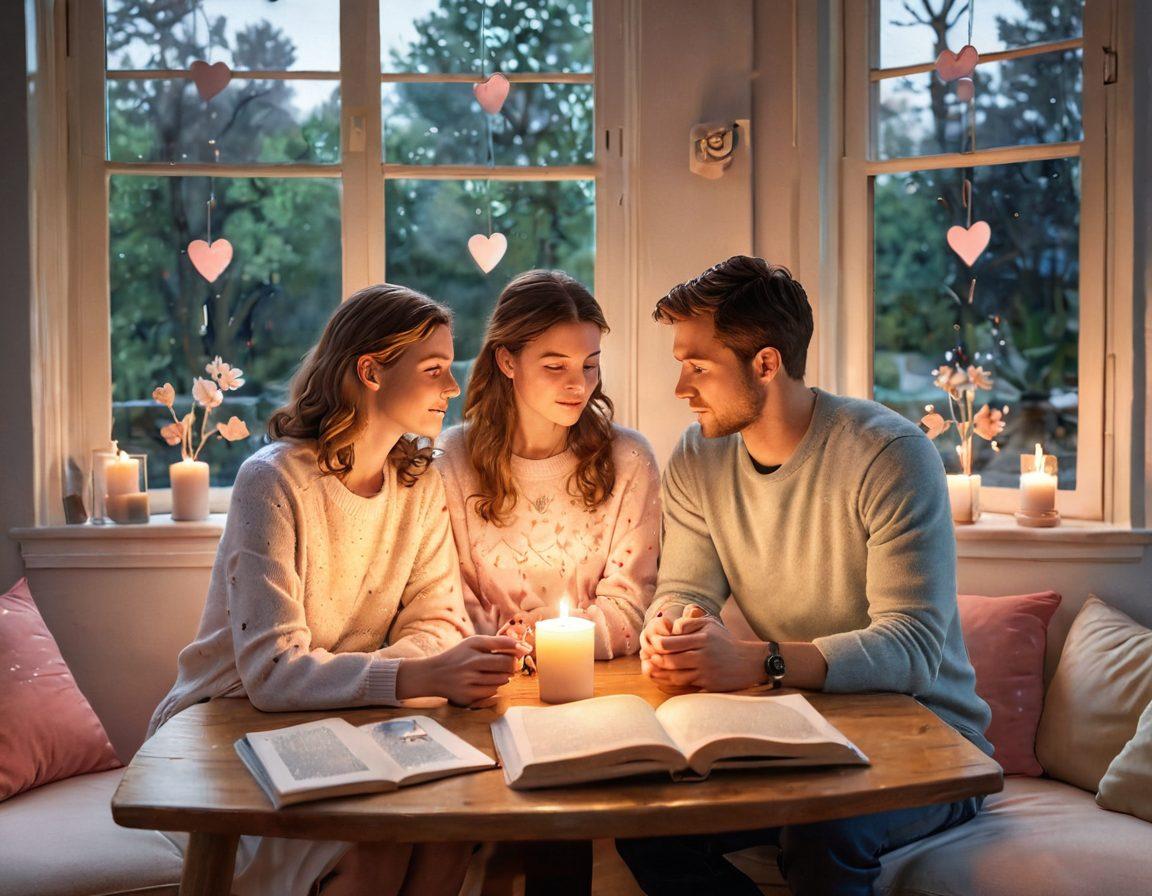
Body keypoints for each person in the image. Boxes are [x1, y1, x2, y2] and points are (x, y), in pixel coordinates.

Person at [616, 256, 993, 896]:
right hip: (791, 728)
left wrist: (760, 662)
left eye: (698, 366)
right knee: (645, 827)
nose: (681, 386)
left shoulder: (890, 455)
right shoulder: (697, 454)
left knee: (823, 829)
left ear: (766, 363)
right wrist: (671, 628)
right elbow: (685, 589)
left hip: (928, 736)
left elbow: (911, 647)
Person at [147, 284, 528, 896]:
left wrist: (397, 673)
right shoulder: (271, 481)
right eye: (434, 371)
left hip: (351, 719)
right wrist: (417, 676)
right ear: (370, 370)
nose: (452, 389)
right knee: (374, 850)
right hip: (231, 724)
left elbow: (439, 625)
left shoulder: (418, 484)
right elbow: (271, 672)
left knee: (450, 827)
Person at [437, 269, 660, 659]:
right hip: (480, 682)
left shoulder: (629, 460)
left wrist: (551, 635)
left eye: (589, 365)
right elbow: (442, 608)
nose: (578, 385)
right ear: (507, 361)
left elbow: (634, 606)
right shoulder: (452, 462)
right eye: (556, 367)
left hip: (600, 687)